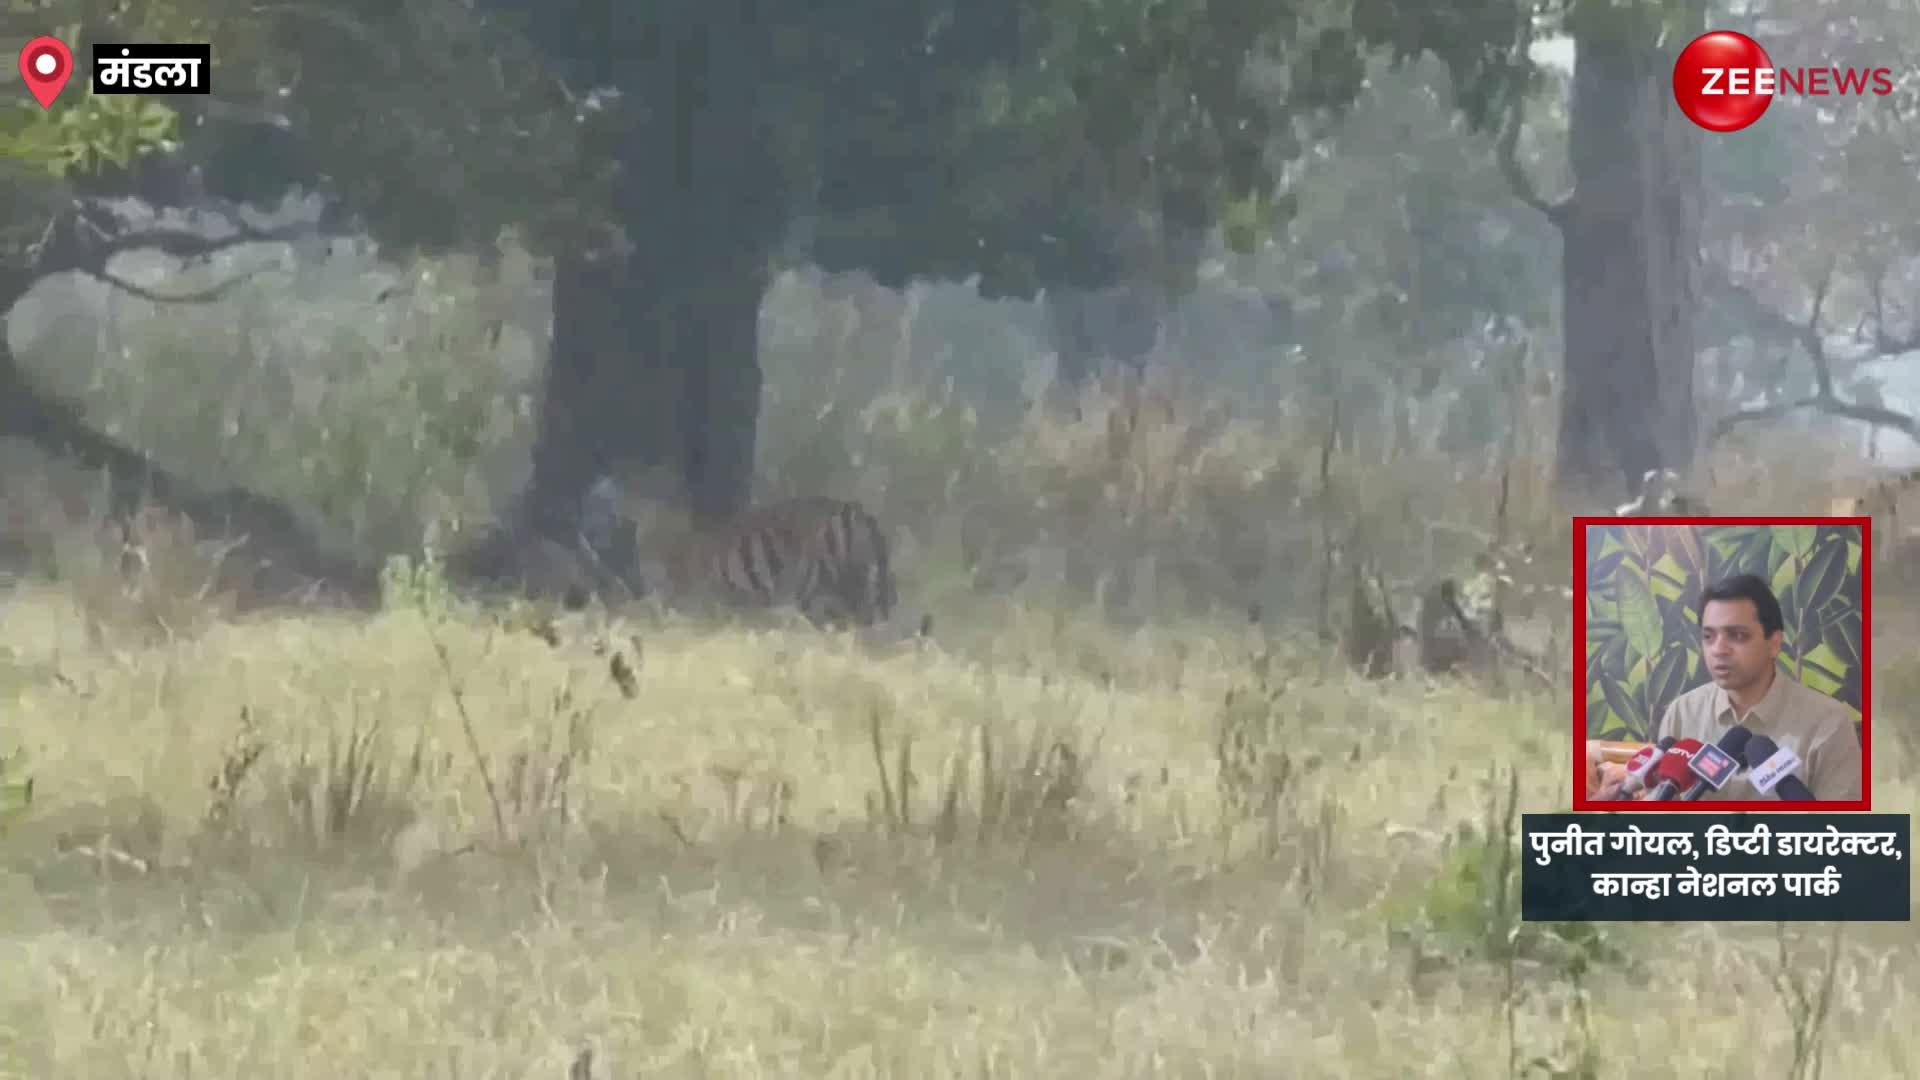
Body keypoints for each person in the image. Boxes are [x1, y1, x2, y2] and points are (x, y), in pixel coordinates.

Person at [1592, 572, 1863, 802]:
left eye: (1737, 636)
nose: (1718, 650)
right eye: (1709, 637)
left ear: (1774, 643)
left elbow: (1841, 838)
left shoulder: (1828, 723)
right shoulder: (1683, 713)